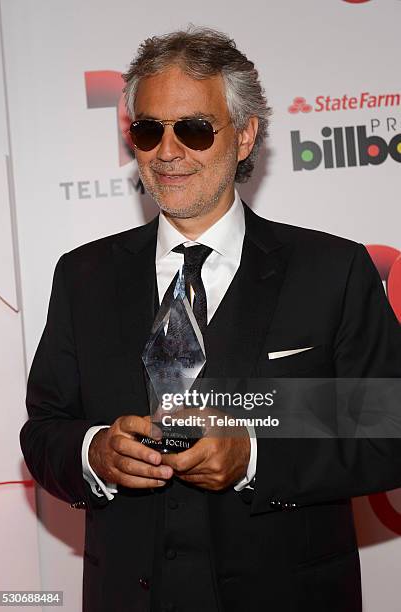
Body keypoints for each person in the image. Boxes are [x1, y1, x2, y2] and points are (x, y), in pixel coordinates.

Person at [20, 27, 401, 612]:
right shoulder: (83, 276)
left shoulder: (333, 270)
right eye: (147, 130)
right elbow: (44, 428)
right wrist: (93, 452)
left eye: (194, 129)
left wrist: (253, 453)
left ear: (244, 136)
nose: (167, 153)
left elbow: (386, 427)